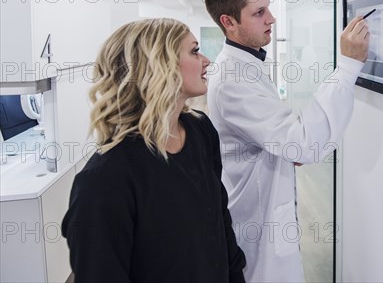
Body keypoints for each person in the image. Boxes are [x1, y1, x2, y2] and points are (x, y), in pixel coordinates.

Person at [204, 0, 370, 282]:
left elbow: (282, 138)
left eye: (267, 7)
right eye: (259, 13)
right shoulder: (232, 80)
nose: (272, 19)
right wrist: (347, 68)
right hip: (256, 225)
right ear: (229, 22)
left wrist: (281, 145)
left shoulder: (246, 65)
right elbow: (303, 144)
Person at [61, 18, 246, 283]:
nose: (206, 61)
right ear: (160, 64)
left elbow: (219, 221)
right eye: (194, 51)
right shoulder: (105, 178)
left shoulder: (200, 131)